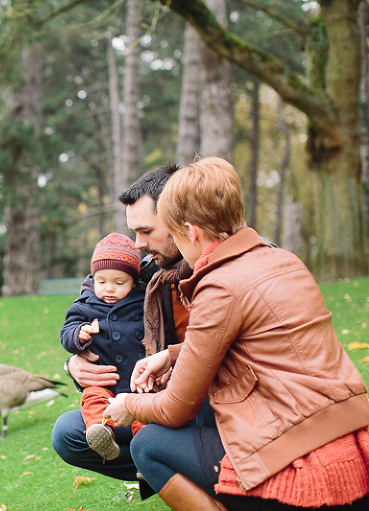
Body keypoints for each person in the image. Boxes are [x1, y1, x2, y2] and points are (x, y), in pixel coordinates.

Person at [103, 156, 369, 509]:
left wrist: (129, 404)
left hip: (302, 462)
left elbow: (175, 408)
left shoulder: (219, 286)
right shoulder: (283, 260)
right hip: (353, 440)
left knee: (148, 445)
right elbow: (266, 340)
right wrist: (172, 354)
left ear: (191, 232)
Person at [51, 163, 190, 491]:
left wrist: (171, 361)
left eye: (146, 231)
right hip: (139, 390)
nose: (139, 244)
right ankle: (157, 468)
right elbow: (92, 299)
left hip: (195, 400)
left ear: (181, 220)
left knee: (149, 432)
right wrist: (75, 362)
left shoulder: (222, 272)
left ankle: (168, 466)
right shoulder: (151, 273)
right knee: (68, 432)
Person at [59, 232, 146, 461]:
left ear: (133, 282)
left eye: (119, 283)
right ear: (92, 278)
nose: (109, 289)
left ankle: (147, 453)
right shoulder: (85, 305)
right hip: (103, 382)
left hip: (137, 384)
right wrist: (79, 335)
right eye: (101, 281)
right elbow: (66, 332)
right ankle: (101, 432)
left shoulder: (143, 301)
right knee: (93, 400)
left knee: (143, 417)